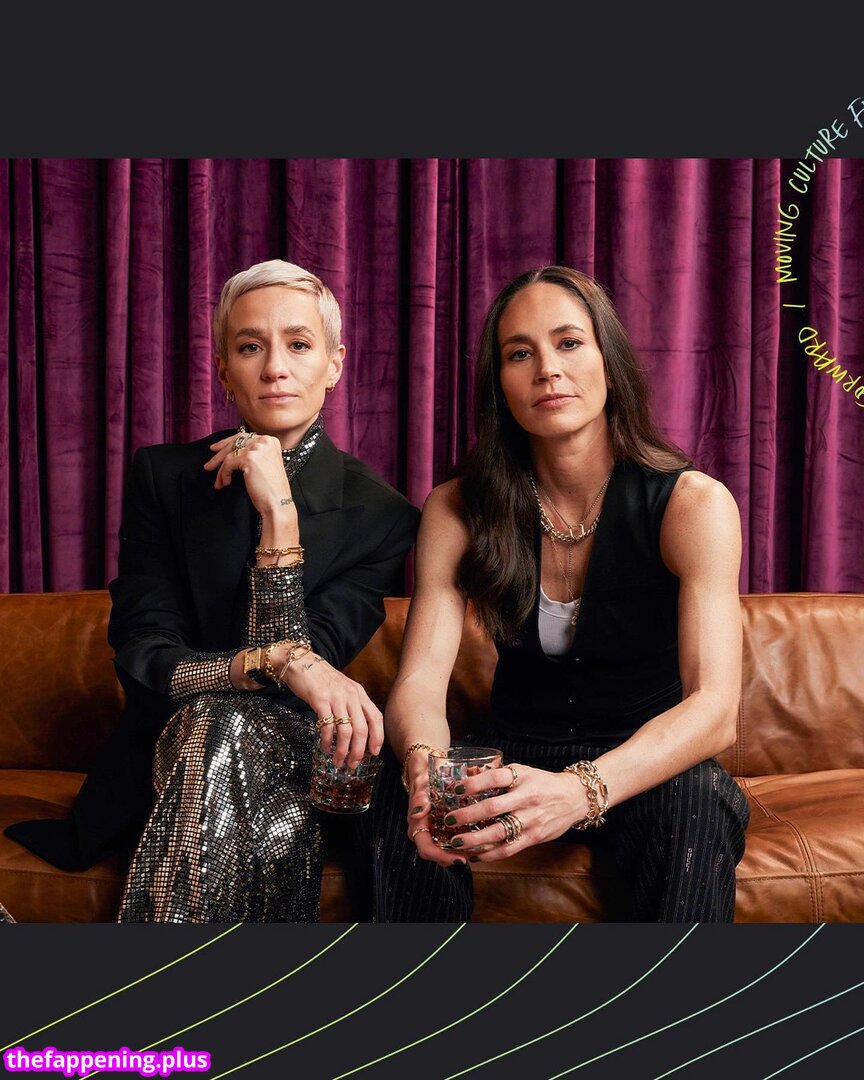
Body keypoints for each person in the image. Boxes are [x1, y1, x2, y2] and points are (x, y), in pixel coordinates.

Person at [6, 259, 419, 922]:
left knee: (223, 721)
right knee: (212, 721)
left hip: (297, 761)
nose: (275, 368)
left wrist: (279, 512)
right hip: (167, 746)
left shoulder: (383, 515)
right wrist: (259, 665)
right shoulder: (165, 478)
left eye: (299, 344)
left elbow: (298, 678)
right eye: (251, 347)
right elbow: (144, 654)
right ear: (224, 371)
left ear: (334, 365)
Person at [361, 265, 750, 923]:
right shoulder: (457, 508)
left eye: (569, 343)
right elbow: (421, 681)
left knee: (697, 798)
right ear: (500, 385)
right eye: (520, 354)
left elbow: (714, 709)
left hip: (644, 762)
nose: (548, 369)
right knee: (401, 792)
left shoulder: (693, 505)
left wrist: (581, 791)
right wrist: (425, 766)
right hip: (515, 747)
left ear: (609, 363)